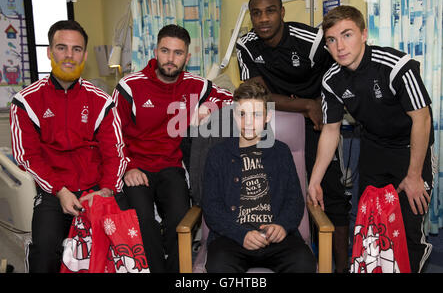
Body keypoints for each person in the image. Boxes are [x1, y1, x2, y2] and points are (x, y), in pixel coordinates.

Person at [308, 5, 434, 273]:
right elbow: (330, 131)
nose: (340, 46)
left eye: (347, 35)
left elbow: (421, 119)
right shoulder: (331, 80)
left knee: (409, 231)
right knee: (370, 229)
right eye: (332, 40)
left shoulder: (395, 65)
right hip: (374, 150)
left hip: (411, 149)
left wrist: (413, 175)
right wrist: (315, 180)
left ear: (364, 34)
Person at [236, 0, 350, 272]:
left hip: (316, 126)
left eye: (270, 10)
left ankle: (342, 265)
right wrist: (305, 104)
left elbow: (338, 75)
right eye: (256, 12)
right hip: (273, 125)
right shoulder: (246, 45)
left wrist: (318, 106)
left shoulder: (311, 41)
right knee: (278, 194)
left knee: (330, 193)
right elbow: (258, 95)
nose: (263, 19)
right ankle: (294, 254)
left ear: (282, 13)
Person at [112, 24, 233, 273]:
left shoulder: (196, 86)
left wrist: (208, 109)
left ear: (187, 57)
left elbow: (230, 99)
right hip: (137, 166)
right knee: (143, 220)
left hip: (171, 166)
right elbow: (111, 135)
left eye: (178, 53)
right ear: (156, 51)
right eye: (165, 51)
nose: (170, 59)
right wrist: (128, 167)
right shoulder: (129, 86)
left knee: (181, 221)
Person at [9, 20, 128, 273]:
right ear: (50, 52)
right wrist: (59, 190)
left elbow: (115, 153)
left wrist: (106, 190)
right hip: (52, 190)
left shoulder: (102, 102)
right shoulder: (25, 101)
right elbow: (26, 156)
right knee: (46, 248)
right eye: (62, 48)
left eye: (76, 49)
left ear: (84, 55)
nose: (69, 56)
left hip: (96, 189)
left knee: (117, 250)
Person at [202, 80, 316, 273]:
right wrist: (241, 234)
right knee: (218, 266)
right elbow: (211, 207)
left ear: (267, 117)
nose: (247, 122)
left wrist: (281, 226)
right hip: (232, 239)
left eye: (255, 115)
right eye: (242, 114)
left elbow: (295, 200)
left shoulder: (281, 152)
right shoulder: (218, 154)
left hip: (276, 238)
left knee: (304, 263)